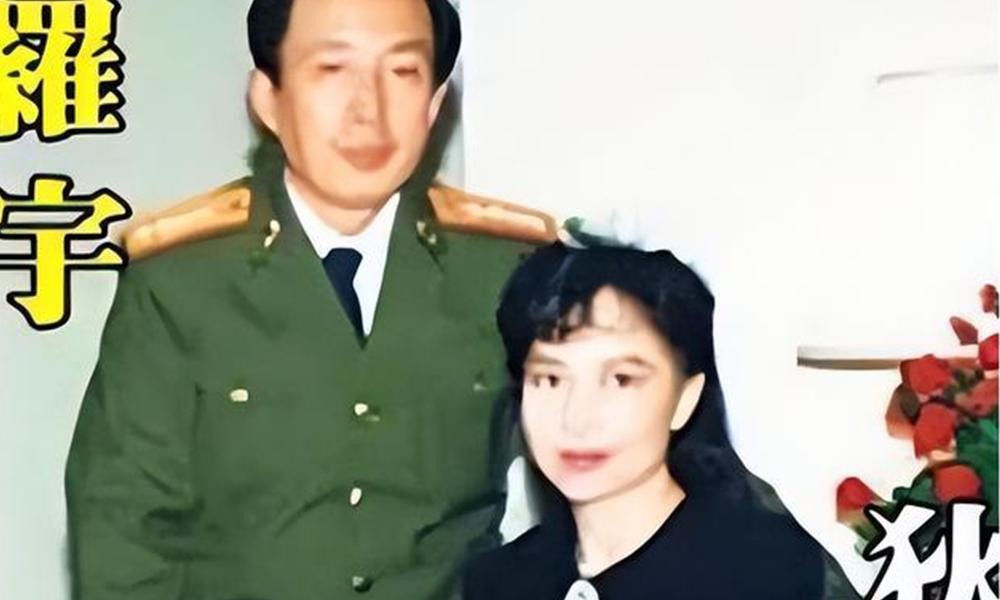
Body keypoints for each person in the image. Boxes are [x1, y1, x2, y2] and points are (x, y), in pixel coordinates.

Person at [64, 1, 557, 598]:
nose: (368, 110)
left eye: (402, 72)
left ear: (433, 106)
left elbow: (599, 474)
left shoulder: (504, 268)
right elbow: (123, 530)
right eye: (332, 70)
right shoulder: (182, 280)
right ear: (268, 99)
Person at [463, 244, 860, 599]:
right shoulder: (498, 582)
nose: (576, 418)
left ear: (685, 398)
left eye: (620, 379)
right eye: (550, 378)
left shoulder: (771, 573)